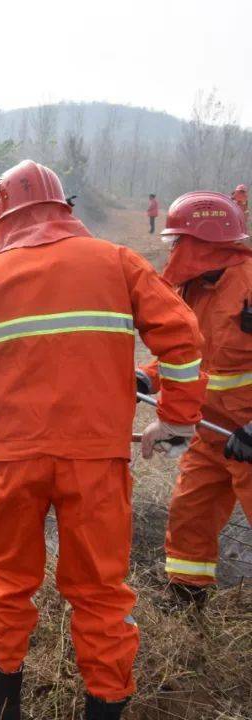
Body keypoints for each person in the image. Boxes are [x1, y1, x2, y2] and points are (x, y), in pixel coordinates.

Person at [0, 160, 206, 720]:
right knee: (101, 592)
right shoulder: (115, 261)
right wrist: (177, 419)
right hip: (95, 462)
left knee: (8, 581)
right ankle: (104, 706)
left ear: (2, 216)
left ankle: (1, 702)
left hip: (12, 461)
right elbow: (182, 338)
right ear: (65, 209)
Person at [137, 191, 252, 607]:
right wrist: (146, 379)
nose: (174, 251)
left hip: (249, 437)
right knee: (191, 514)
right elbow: (183, 353)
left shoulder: (249, 283)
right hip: (211, 433)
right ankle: (187, 598)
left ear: (206, 243)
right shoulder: (191, 290)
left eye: (179, 241)